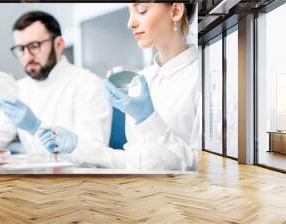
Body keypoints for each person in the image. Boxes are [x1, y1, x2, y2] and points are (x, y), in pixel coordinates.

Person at [38, 3, 201, 171]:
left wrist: (148, 120)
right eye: (129, 11)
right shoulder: (143, 78)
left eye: (141, 10)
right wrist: (77, 146)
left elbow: (200, 166)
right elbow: (134, 162)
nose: (130, 23)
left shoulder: (202, 78)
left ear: (175, 11)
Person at [0, 11, 112, 156]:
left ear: (58, 44)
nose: (26, 56)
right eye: (20, 49)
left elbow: (93, 156)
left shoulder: (89, 85)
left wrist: (36, 128)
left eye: (34, 46)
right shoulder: (18, 89)